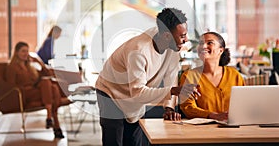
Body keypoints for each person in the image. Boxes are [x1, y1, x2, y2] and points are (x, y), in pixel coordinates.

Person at [95, 8, 200, 146]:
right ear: (167, 36)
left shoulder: (172, 46)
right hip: (110, 91)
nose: (186, 40)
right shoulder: (138, 51)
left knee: (134, 141)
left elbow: (171, 77)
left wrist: (169, 108)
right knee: (115, 140)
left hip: (133, 96)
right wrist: (174, 90)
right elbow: (138, 92)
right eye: (182, 36)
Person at [179, 31, 245, 121]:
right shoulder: (189, 76)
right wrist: (212, 115)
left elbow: (244, 104)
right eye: (201, 43)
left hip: (233, 128)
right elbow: (188, 108)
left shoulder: (234, 75)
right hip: (201, 130)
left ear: (221, 50)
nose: (204, 46)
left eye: (210, 43)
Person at [6, 41, 66, 139]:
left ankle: (51, 120)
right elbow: (10, 86)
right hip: (25, 93)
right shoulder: (12, 67)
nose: (26, 54)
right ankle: (53, 121)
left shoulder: (29, 66)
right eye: (23, 51)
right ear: (16, 52)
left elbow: (46, 73)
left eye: (27, 51)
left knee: (51, 86)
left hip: (36, 91)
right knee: (51, 88)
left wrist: (39, 62)